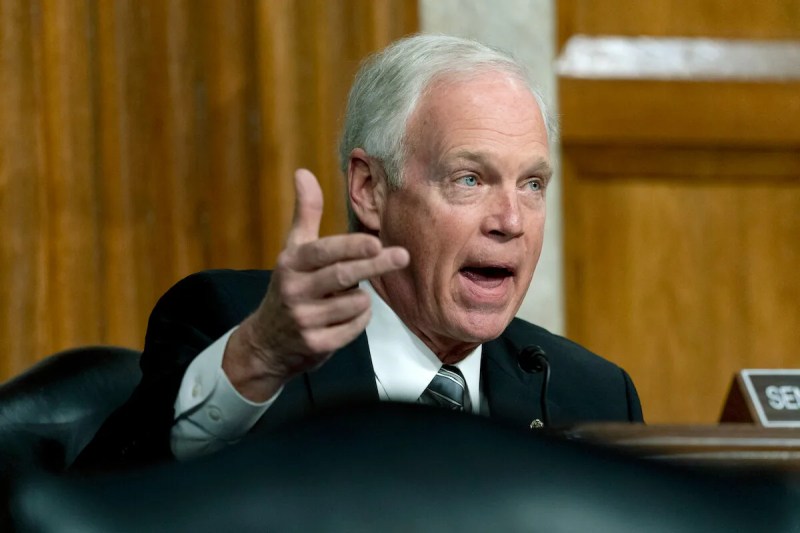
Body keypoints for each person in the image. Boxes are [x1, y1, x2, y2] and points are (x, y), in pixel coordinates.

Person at [75, 34, 642, 471]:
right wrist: (256, 360)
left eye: (533, 184)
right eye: (469, 179)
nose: (511, 221)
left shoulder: (590, 393)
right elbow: (85, 513)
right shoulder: (234, 328)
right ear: (370, 188)